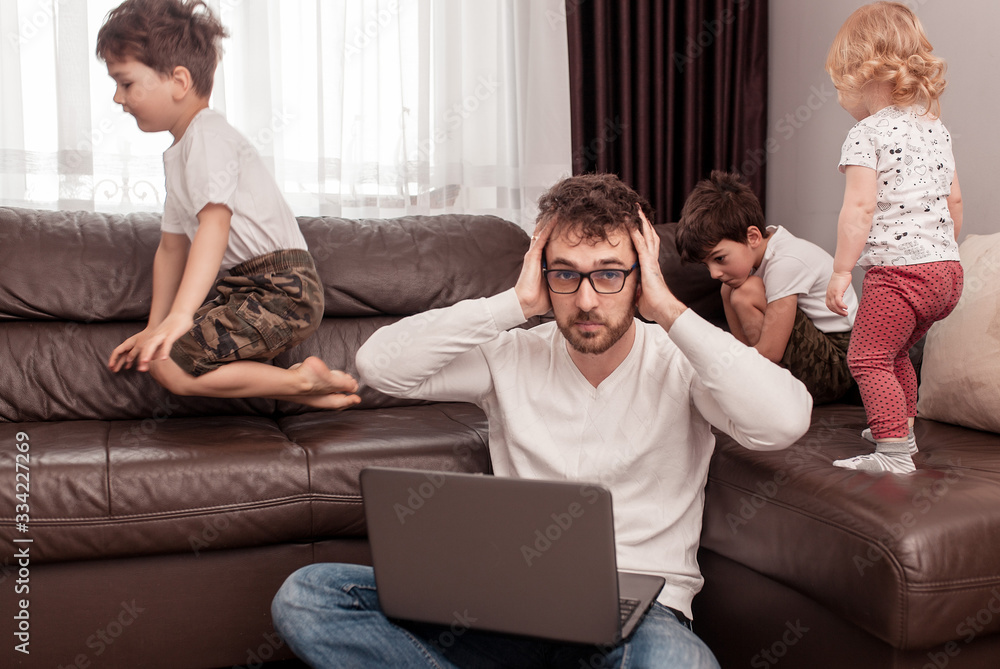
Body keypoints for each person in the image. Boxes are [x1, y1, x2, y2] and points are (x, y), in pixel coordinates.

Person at [271, 173, 812, 668]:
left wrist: (669, 309)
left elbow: (785, 420)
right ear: (542, 274)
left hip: (640, 618)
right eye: (565, 275)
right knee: (309, 596)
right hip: (510, 608)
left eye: (609, 274)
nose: (586, 300)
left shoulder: (683, 361)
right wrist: (515, 303)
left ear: (640, 276)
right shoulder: (510, 355)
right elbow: (379, 365)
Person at [96, 0, 360, 410]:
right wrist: (155, 326)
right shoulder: (180, 154)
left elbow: (214, 226)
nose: (117, 97)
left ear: (179, 81)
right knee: (164, 361)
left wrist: (182, 315)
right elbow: (172, 248)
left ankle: (301, 384)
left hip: (282, 288)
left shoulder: (209, 136)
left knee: (173, 363)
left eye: (125, 83)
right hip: (244, 287)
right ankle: (304, 385)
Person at [824, 1, 963, 474]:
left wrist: (841, 271)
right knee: (895, 351)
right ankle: (899, 426)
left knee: (867, 358)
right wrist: (941, 252)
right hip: (946, 273)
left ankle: (894, 454)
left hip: (899, 276)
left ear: (859, 74)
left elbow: (859, 209)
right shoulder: (936, 128)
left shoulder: (866, 133)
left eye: (838, 85)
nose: (839, 97)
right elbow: (954, 201)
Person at [675, 170, 857, 405]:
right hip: (820, 351)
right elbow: (746, 346)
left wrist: (727, 373)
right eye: (706, 264)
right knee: (730, 290)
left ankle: (764, 386)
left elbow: (771, 351)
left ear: (752, 237)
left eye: (719, 258)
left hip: (838, 364)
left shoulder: (785, 262)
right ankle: (755, 381)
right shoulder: (762, 250)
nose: (714, 273)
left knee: (746, 292)